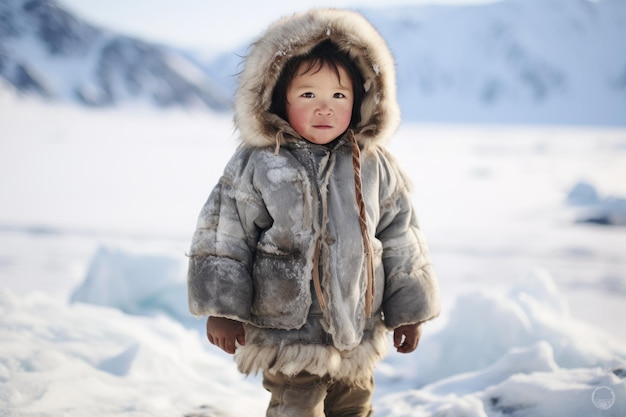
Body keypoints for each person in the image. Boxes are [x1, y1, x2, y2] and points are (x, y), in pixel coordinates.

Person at [187, 8, 440, 417]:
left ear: (363, 99)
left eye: (338, 96)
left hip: (356, 326)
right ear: (275, 99)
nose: (325, 108)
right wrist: (221, 308)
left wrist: (409, 312)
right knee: (296, 409)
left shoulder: (375, 165)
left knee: (354, 408)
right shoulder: (260, 164)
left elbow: (401, 237)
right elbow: (224, 237)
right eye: (308, 95)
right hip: (289, 332)